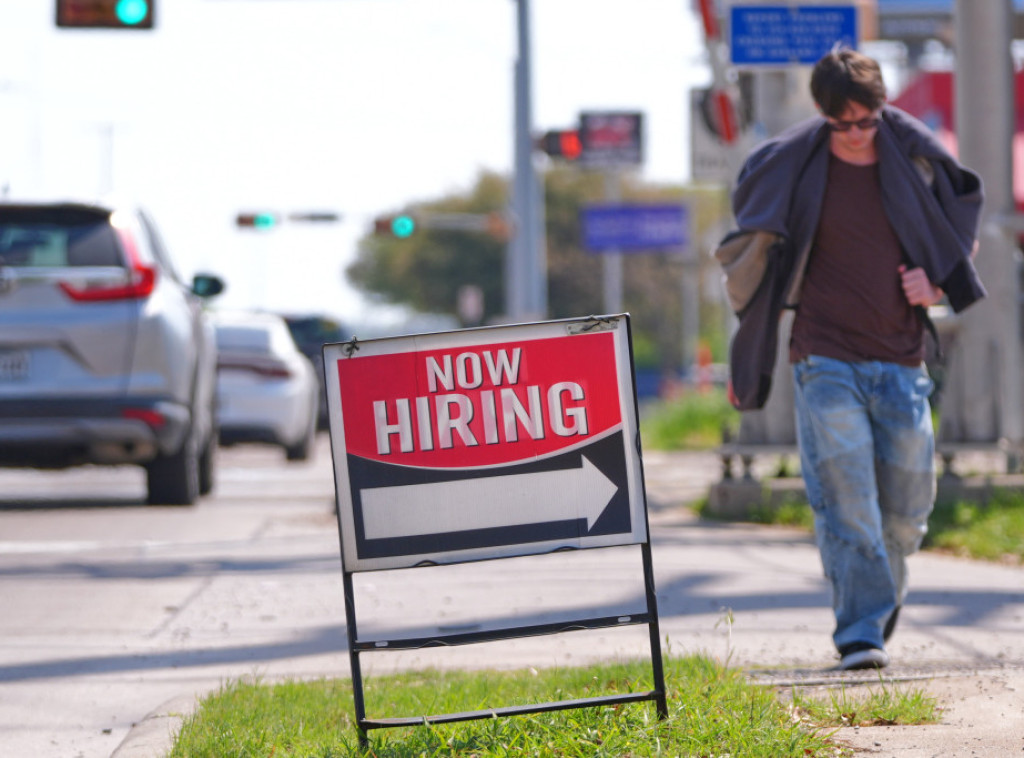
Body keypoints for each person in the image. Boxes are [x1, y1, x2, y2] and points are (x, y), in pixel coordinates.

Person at [721, 47, 986, 670]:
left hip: (901, 359)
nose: (856, 136)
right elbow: (752, 205)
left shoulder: (914, 158)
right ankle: (861, 631)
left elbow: (959, 214)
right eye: (842, 125)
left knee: (908, 509)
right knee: (846, 498)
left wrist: (939, 283)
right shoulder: (799, 162)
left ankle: (879, 592)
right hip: (825, 357)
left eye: (866, 121)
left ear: (880, 109)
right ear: (823, 115)